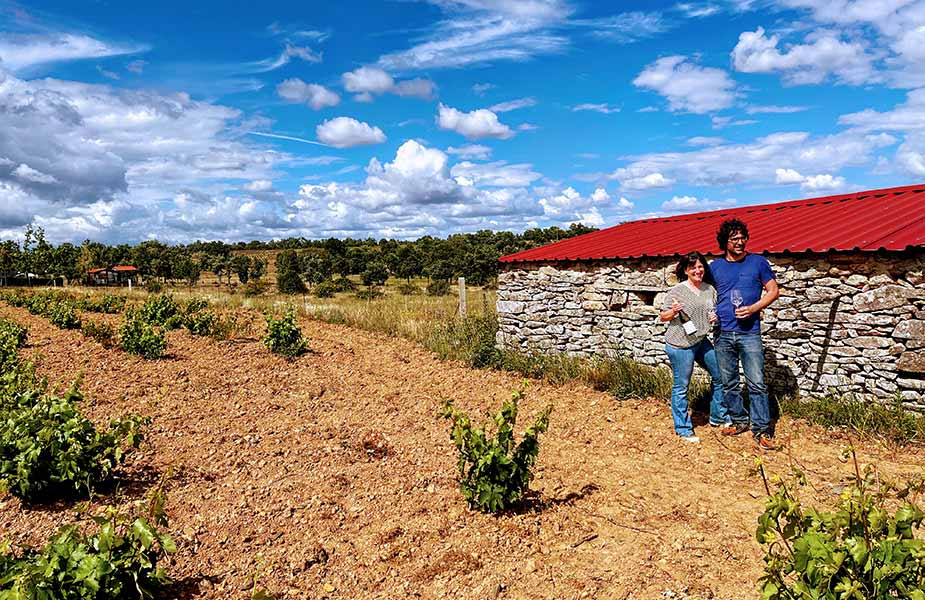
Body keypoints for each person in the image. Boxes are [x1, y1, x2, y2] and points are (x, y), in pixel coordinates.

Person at [710, 219, 780, 450]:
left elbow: (773, 291)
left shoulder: (758, 262)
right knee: (729, 382)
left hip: (749, 333)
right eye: (734, 239)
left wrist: (753, 308)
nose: (740, 242)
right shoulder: (715, 267)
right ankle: (739, 420)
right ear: (725, 242)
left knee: (756, 383)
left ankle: (762, 429)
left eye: (743, 238)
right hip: (722, 332)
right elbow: (704, 294)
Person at [658, 252, 726, 443]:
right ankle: (683, 428)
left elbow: (712, 311)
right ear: (686, 270)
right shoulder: (677, 291)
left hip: (700, 340)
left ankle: (717, 416)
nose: (697, 271)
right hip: (680, 345)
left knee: (720, 375)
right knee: (681, 387)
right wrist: (673, 311)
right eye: (693, 268)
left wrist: (715, 317)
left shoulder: (709, 289)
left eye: (700, 267)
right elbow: (663, 316)